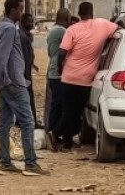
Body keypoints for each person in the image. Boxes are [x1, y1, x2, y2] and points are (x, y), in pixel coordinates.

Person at [0, 0, 49, 176]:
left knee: (5, 122)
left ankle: (5, 162)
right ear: (12, 10)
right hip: (14, 83)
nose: (22, 13)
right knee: (27, 121)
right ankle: (31, 163)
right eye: (19, 9)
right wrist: (3, 79)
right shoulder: (10, 29)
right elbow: (1, 57)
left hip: (5, 83)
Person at [57, 2, 119, 147]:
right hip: (85, 81)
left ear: (79, 13)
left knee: (67, 111)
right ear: (91, 11)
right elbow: (119, 28)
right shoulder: (102, 25)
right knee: (77, 112)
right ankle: (58, 135)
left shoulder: (72, 29)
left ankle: (65, 141)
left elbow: (62, 53)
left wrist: (60, 68)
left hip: (68, 77)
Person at [45, 9, 72, 151]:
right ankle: (53, 133)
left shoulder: (53, 30)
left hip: (53, 71)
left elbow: (50, 52)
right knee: (59, 106)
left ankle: (54, 134)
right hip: (58, 73)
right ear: (65, 18)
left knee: (56, 105)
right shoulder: (61, 31)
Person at [18, 13, 41, 128]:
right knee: (28, 98)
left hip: (25, 71)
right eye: (29, 22)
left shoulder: (25, 35)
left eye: (32, 22)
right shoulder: (22, 36)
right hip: (24, 73)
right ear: (23, 22)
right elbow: (24, 57)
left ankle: (23, 120)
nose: (32, 24)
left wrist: (33, 64)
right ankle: (31, 122)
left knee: (24, 98)